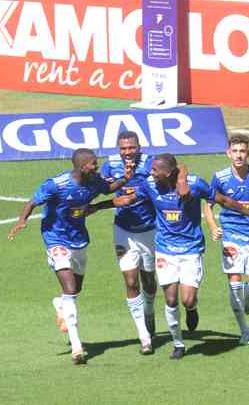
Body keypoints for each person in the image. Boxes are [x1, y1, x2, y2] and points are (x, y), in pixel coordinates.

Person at [108, 154, 249, 360]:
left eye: (154, 170)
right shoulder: (149, 184)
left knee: (187, 300)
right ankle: (178, 343)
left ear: (167, 173)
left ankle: (192, 308)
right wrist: (98, 207)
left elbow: (224, 200)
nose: (150, 173)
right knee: (170, 299)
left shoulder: (195, 184)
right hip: (165, 250)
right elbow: (127, 199)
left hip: (191, 249)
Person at [8, 148, 132, 365]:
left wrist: (125, 179)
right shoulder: (57, 184)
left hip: (79, 239)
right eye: (94, 163)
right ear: (83, 166)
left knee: (75, 289)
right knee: (71, 290)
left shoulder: (94, 181)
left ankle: (60, 304)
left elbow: (108, 188)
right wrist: (22, 220)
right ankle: (77, 347)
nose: (97, 166)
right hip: (56, 239)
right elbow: (33, 201)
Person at [203, 134, 249, 345]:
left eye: (242, 151)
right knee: (235, 288)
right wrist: (213, 226)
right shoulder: (220, 177)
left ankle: (248, 291)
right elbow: (208, 205)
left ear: (248, 154)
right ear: (229, 153)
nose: (239, 155)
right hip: (231, 236)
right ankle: (244, 332)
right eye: (235, 151)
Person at [99, 131, 157, 355]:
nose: (127, 153)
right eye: (123, 148)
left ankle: (150, 310)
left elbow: (172, 172)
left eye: (131, 148)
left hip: (149, 230)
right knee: (131, 282)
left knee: (149, 280)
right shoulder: (110, 165)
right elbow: (101, 187)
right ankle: (144, 337)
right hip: (123, 230)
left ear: (139, 147)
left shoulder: (151, 163)